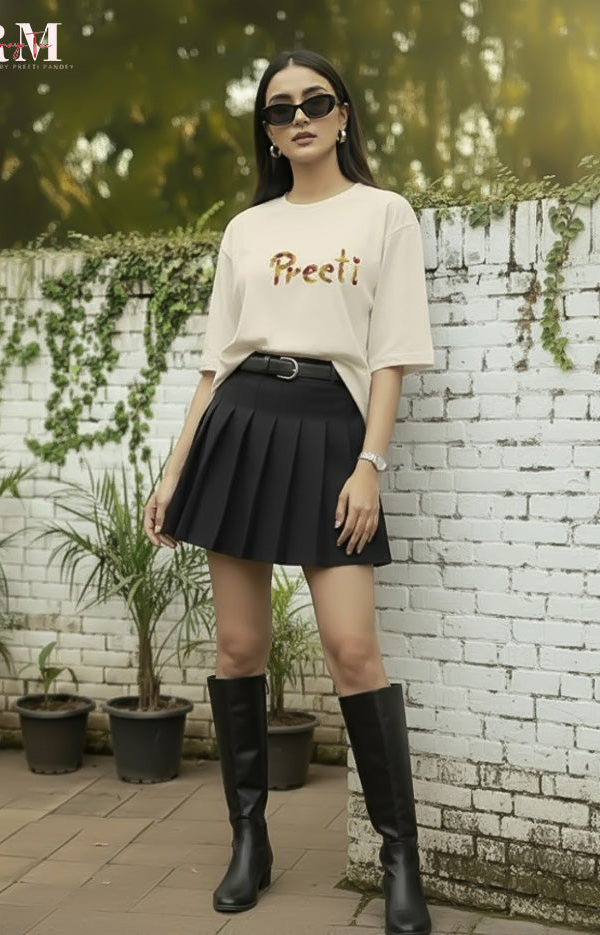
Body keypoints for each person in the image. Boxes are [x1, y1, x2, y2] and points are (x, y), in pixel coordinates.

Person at [143, 48, 435, 935]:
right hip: (238, 422)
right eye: (279, 109)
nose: (298, 117)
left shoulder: (384, 214)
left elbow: (387, 355)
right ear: (266, 132)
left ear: (344, 114)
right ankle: (248, 840)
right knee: (237, 646)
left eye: (314, 102)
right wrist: (172, 468)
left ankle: (397, 858)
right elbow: (213, 363)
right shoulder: (246, 227)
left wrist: (370, 465)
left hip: (328, 429)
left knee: (352, 647)